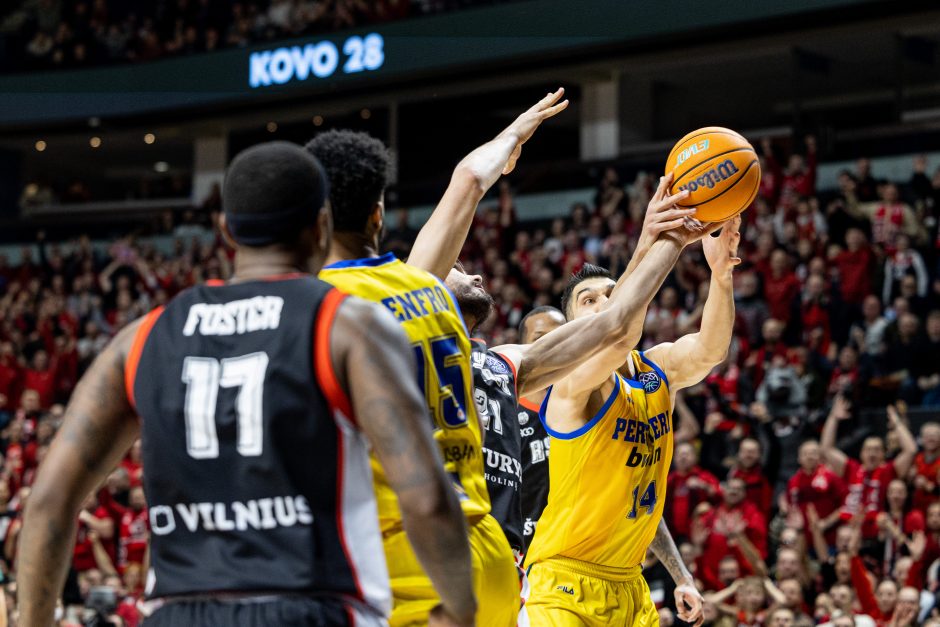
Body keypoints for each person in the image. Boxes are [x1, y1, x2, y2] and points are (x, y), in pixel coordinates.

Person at [17, 142, 476, 627]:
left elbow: (50, 501)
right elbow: (426, 494)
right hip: (312, 606)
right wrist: (458, 609)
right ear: (321, 225)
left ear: (225, 230)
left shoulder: (142, 339)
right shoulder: (348, 327)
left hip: (179, 612)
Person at [311, 90, 569, 627]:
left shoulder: (325, 308)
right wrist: (509, 136)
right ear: (378, 215)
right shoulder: (423, 292)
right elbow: (470, 180)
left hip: (402, 564)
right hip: (488, 554)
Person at [524, 213, 742, 626]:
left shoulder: (655, 370)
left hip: (630, 585)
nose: (607, 303)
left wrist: (721, 275)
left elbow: (710, 351)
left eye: (612, 293)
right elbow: (617, 331)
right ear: (573, 327)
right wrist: (663, 244)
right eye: (590, 301)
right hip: (563, 584)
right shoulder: (573, 383)